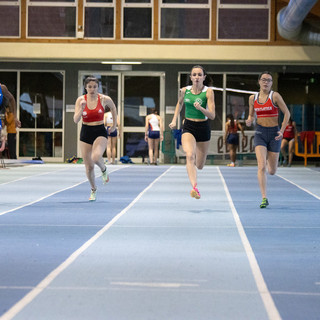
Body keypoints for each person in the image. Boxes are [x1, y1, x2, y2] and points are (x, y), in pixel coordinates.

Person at [169, 65, 215, 199]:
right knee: (189, 155)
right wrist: (174, 120)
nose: (197, 77)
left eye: (199, 75)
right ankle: (195, 187)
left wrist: (201, 108)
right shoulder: (184, 91)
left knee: (199, 165)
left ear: (204, 77)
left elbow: (212, 115)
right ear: (190, 77)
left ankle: (195, 172)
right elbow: (179, 104)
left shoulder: (208, 92)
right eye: (194, 75)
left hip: (203, 127)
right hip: (188, 126)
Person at [246, 71, 290, 208]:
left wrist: (282, 131)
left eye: (269, 80)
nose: (266, 82)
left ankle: (268, 160)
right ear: (259, 81)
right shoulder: (252, 98)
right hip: (260, 132)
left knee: (272, 171)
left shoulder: (275, 96)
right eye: (263, 79)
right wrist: (249, 120)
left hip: (274, 134)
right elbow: (251, 116)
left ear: (271, 83)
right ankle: (264, 197)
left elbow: (287, 113)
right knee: (261, 166)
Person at [74, 76, 118, 201]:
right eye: (89, 87)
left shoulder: (104, 99)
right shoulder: (81, 100)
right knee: (89, 167)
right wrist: (81, 109)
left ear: (98, 87)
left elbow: (114, 108)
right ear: (85, 87)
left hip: (99, 130)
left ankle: (104, 169)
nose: (92, 89)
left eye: (94, 87)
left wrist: (114, 125)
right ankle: (93, 189)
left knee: (96, 157)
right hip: (86, 132)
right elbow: (75, 120)